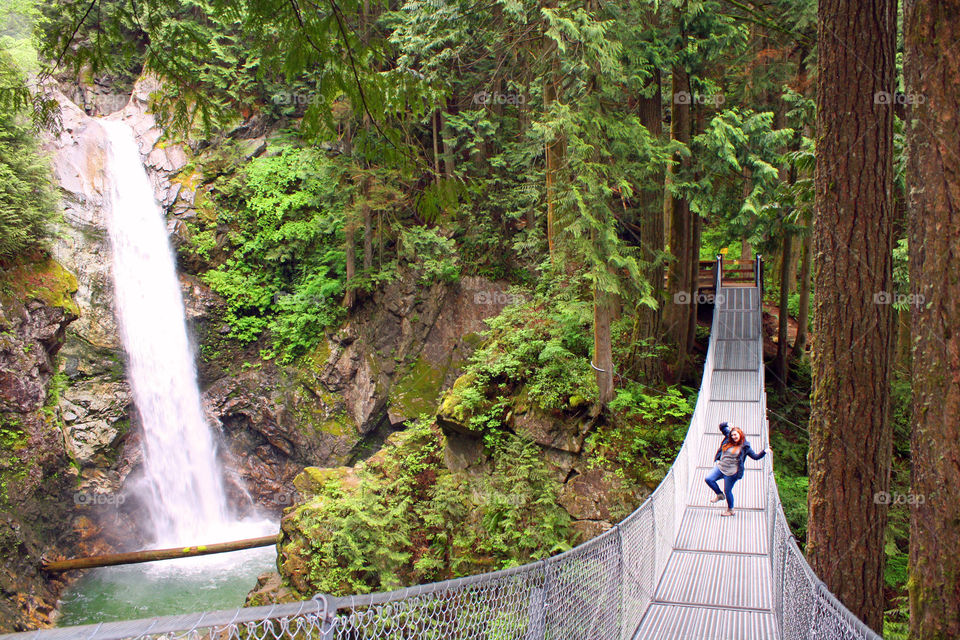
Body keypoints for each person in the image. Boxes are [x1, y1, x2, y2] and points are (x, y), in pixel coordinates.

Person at [704, 421, 772, 516]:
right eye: (732, 435)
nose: (733, 437)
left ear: (740, 434)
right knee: (708, 479)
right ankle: (719, 495)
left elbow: (755, 457)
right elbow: (721, 427)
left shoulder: (745, 446)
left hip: (732, 472)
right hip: (721, 467)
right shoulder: (728, 438)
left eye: (735, 435)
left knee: (727, 491)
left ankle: (730, 510)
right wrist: (727, 424)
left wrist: (764, 451)